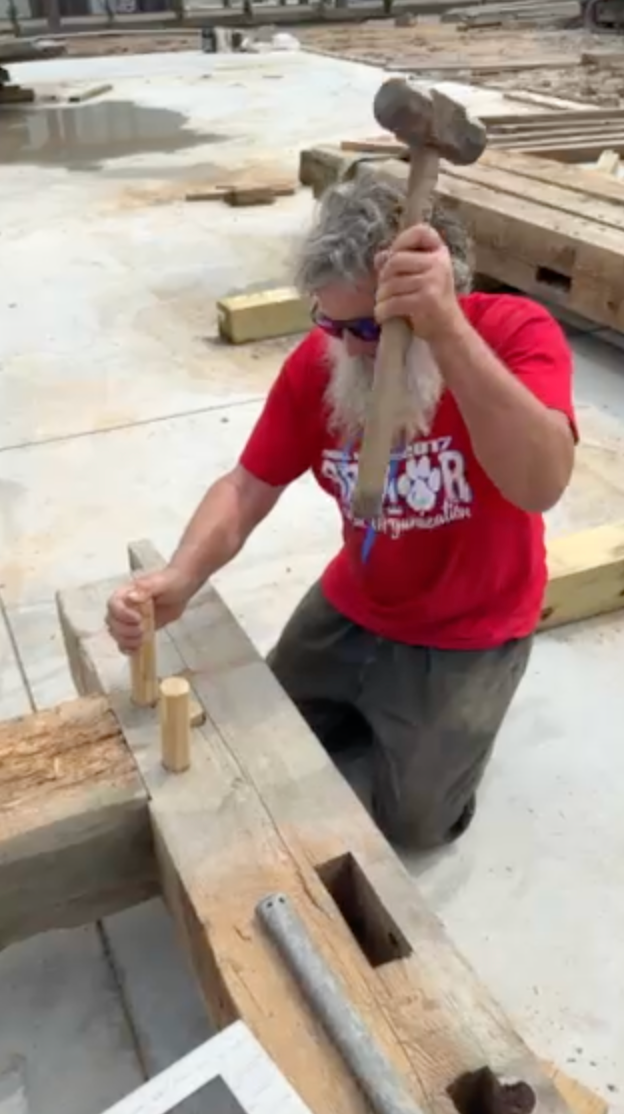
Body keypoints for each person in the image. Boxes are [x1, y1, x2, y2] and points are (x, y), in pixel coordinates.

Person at [106, 173, 576, 851]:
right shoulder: (322, 364)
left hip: (468, 627)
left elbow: (541, 483)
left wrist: (446, 332)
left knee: (414, 826)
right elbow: (246, 485)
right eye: (329, 321)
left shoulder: (510, 334)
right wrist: (180, 576)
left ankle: (418, 727)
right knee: (259, 735)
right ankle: (379, 708)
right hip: (357, 599)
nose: (349, 346)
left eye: (367, 328)